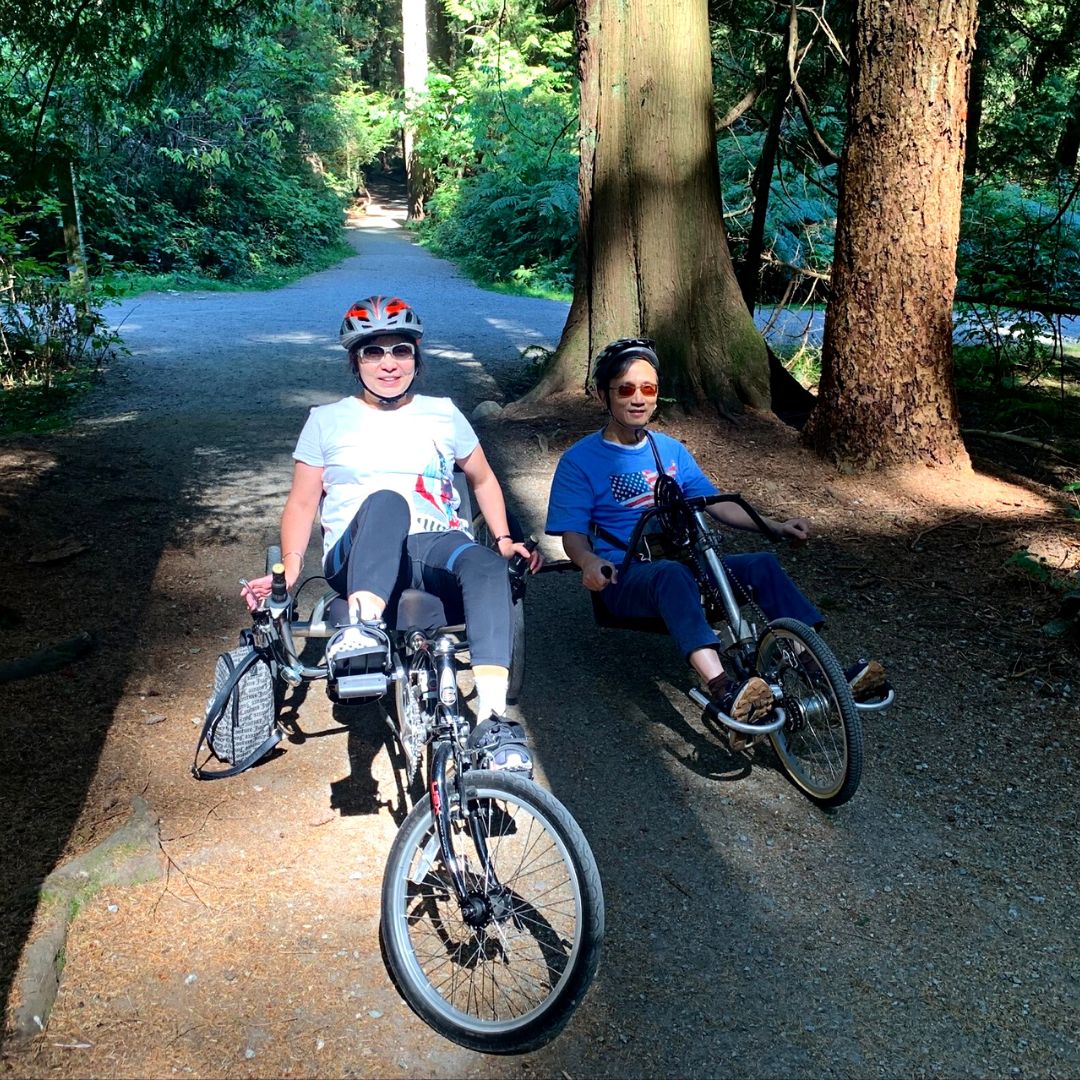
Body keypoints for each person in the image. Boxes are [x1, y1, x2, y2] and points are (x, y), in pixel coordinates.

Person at [242, 295, 540, 769]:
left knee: (484, 562)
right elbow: (302, 502)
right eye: (373, 352)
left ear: (416, 360)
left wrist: (503, 540)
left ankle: (492, 721)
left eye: (400, 351)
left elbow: (481, 479)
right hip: (359, 551)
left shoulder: (443, 413)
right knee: (386, 502)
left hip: (434, 544)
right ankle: (363, 630)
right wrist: (292, 568)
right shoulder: (326, 420)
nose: (388, 364)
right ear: (354, 361)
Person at [545, 337, 884, 734]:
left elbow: (714, 502)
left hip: (688, 565)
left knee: (761, 565)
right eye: (626, 389)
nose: (638, 399)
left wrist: (772, 525)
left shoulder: (669, 450)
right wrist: (589, 562)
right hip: (625, 575)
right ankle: (723, 688)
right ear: (604, 396)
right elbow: (573, 535)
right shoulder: (579, 461)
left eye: (648, 389)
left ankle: (820, 671)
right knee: (670, 575)